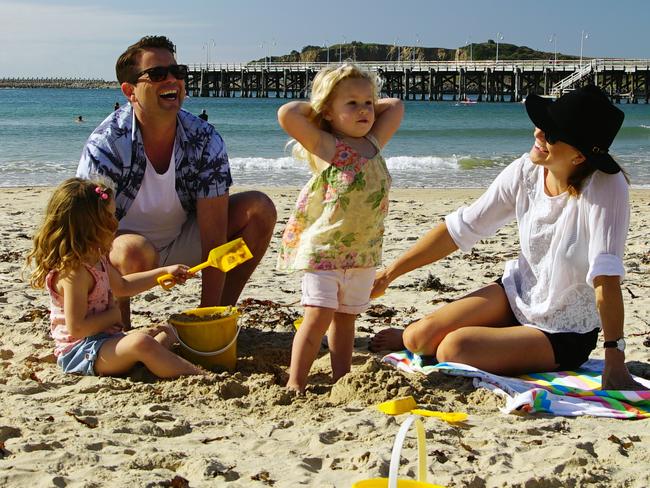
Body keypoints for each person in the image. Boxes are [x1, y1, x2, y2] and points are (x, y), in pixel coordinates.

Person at [370, 85, 645, 391]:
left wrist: (614, 360)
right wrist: (390, 274)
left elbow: (606, 277)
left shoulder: (606, 187)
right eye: (542, 124)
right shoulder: (526, 170)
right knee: (417, 338)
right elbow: (461, 227)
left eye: (551, 133)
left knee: (453, 350)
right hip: (518, 295)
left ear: (579, 156)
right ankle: (429, 335)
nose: (538, 134)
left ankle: (485, 340)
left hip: (563, 330)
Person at [77, 35, 276, 328]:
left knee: (260, 209)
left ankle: (219, 315)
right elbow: (89, 233)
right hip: (122, 251)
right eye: (157, 74)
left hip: (182, 239)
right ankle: (119, 329)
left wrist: (208, 317)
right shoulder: (107, 144)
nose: (172, 80)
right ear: (130, 91)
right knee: (133, 251)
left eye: (177, 72)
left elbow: (214, 235)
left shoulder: (204, 138)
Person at [277, 63, 404, 392]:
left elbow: (396, 105)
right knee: (317, 316)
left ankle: (341, 379)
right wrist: (322, 107)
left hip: (363, 254)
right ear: (329, 113)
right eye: (352, 103)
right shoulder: (327, 146)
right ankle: (296, 381)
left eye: (367, 102)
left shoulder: (375, 143)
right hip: (325, 252)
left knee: (347, 320)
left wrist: (360, 103)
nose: (364, 109)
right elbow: (287, 113)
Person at [26, 178, 206, 378]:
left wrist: (163, 273)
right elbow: (76, 328)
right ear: (87, 225)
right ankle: (200, 376)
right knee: (141, 343)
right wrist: (113, 316)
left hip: (106, 340)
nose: (116, 223)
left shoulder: (97, 258)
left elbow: (123, 285)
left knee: (167, 331)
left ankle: (150, 363)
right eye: (109, 217)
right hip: (82, 351)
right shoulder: (73, 273)